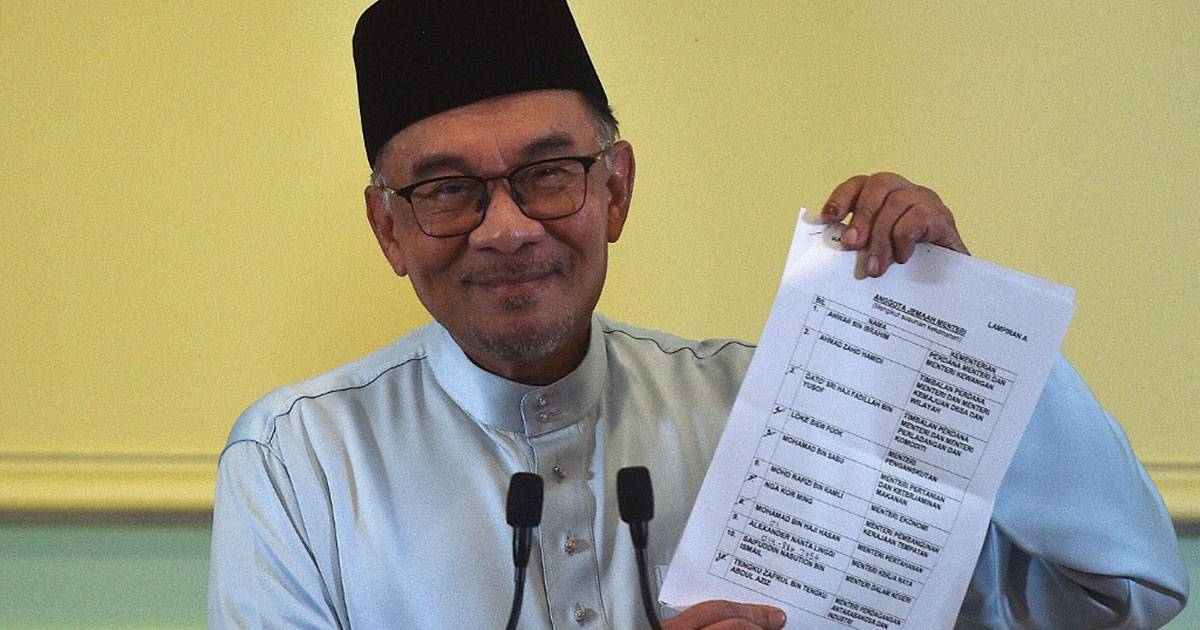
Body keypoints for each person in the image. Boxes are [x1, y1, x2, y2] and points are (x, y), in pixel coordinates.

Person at [208, 1, 1189, 628]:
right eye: (448, 189)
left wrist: (959, 326)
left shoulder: (766, 408)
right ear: (390, 229)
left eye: (548, 174)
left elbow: (1114, 600)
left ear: (616, 191)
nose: (506, 230)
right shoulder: (299, 462)